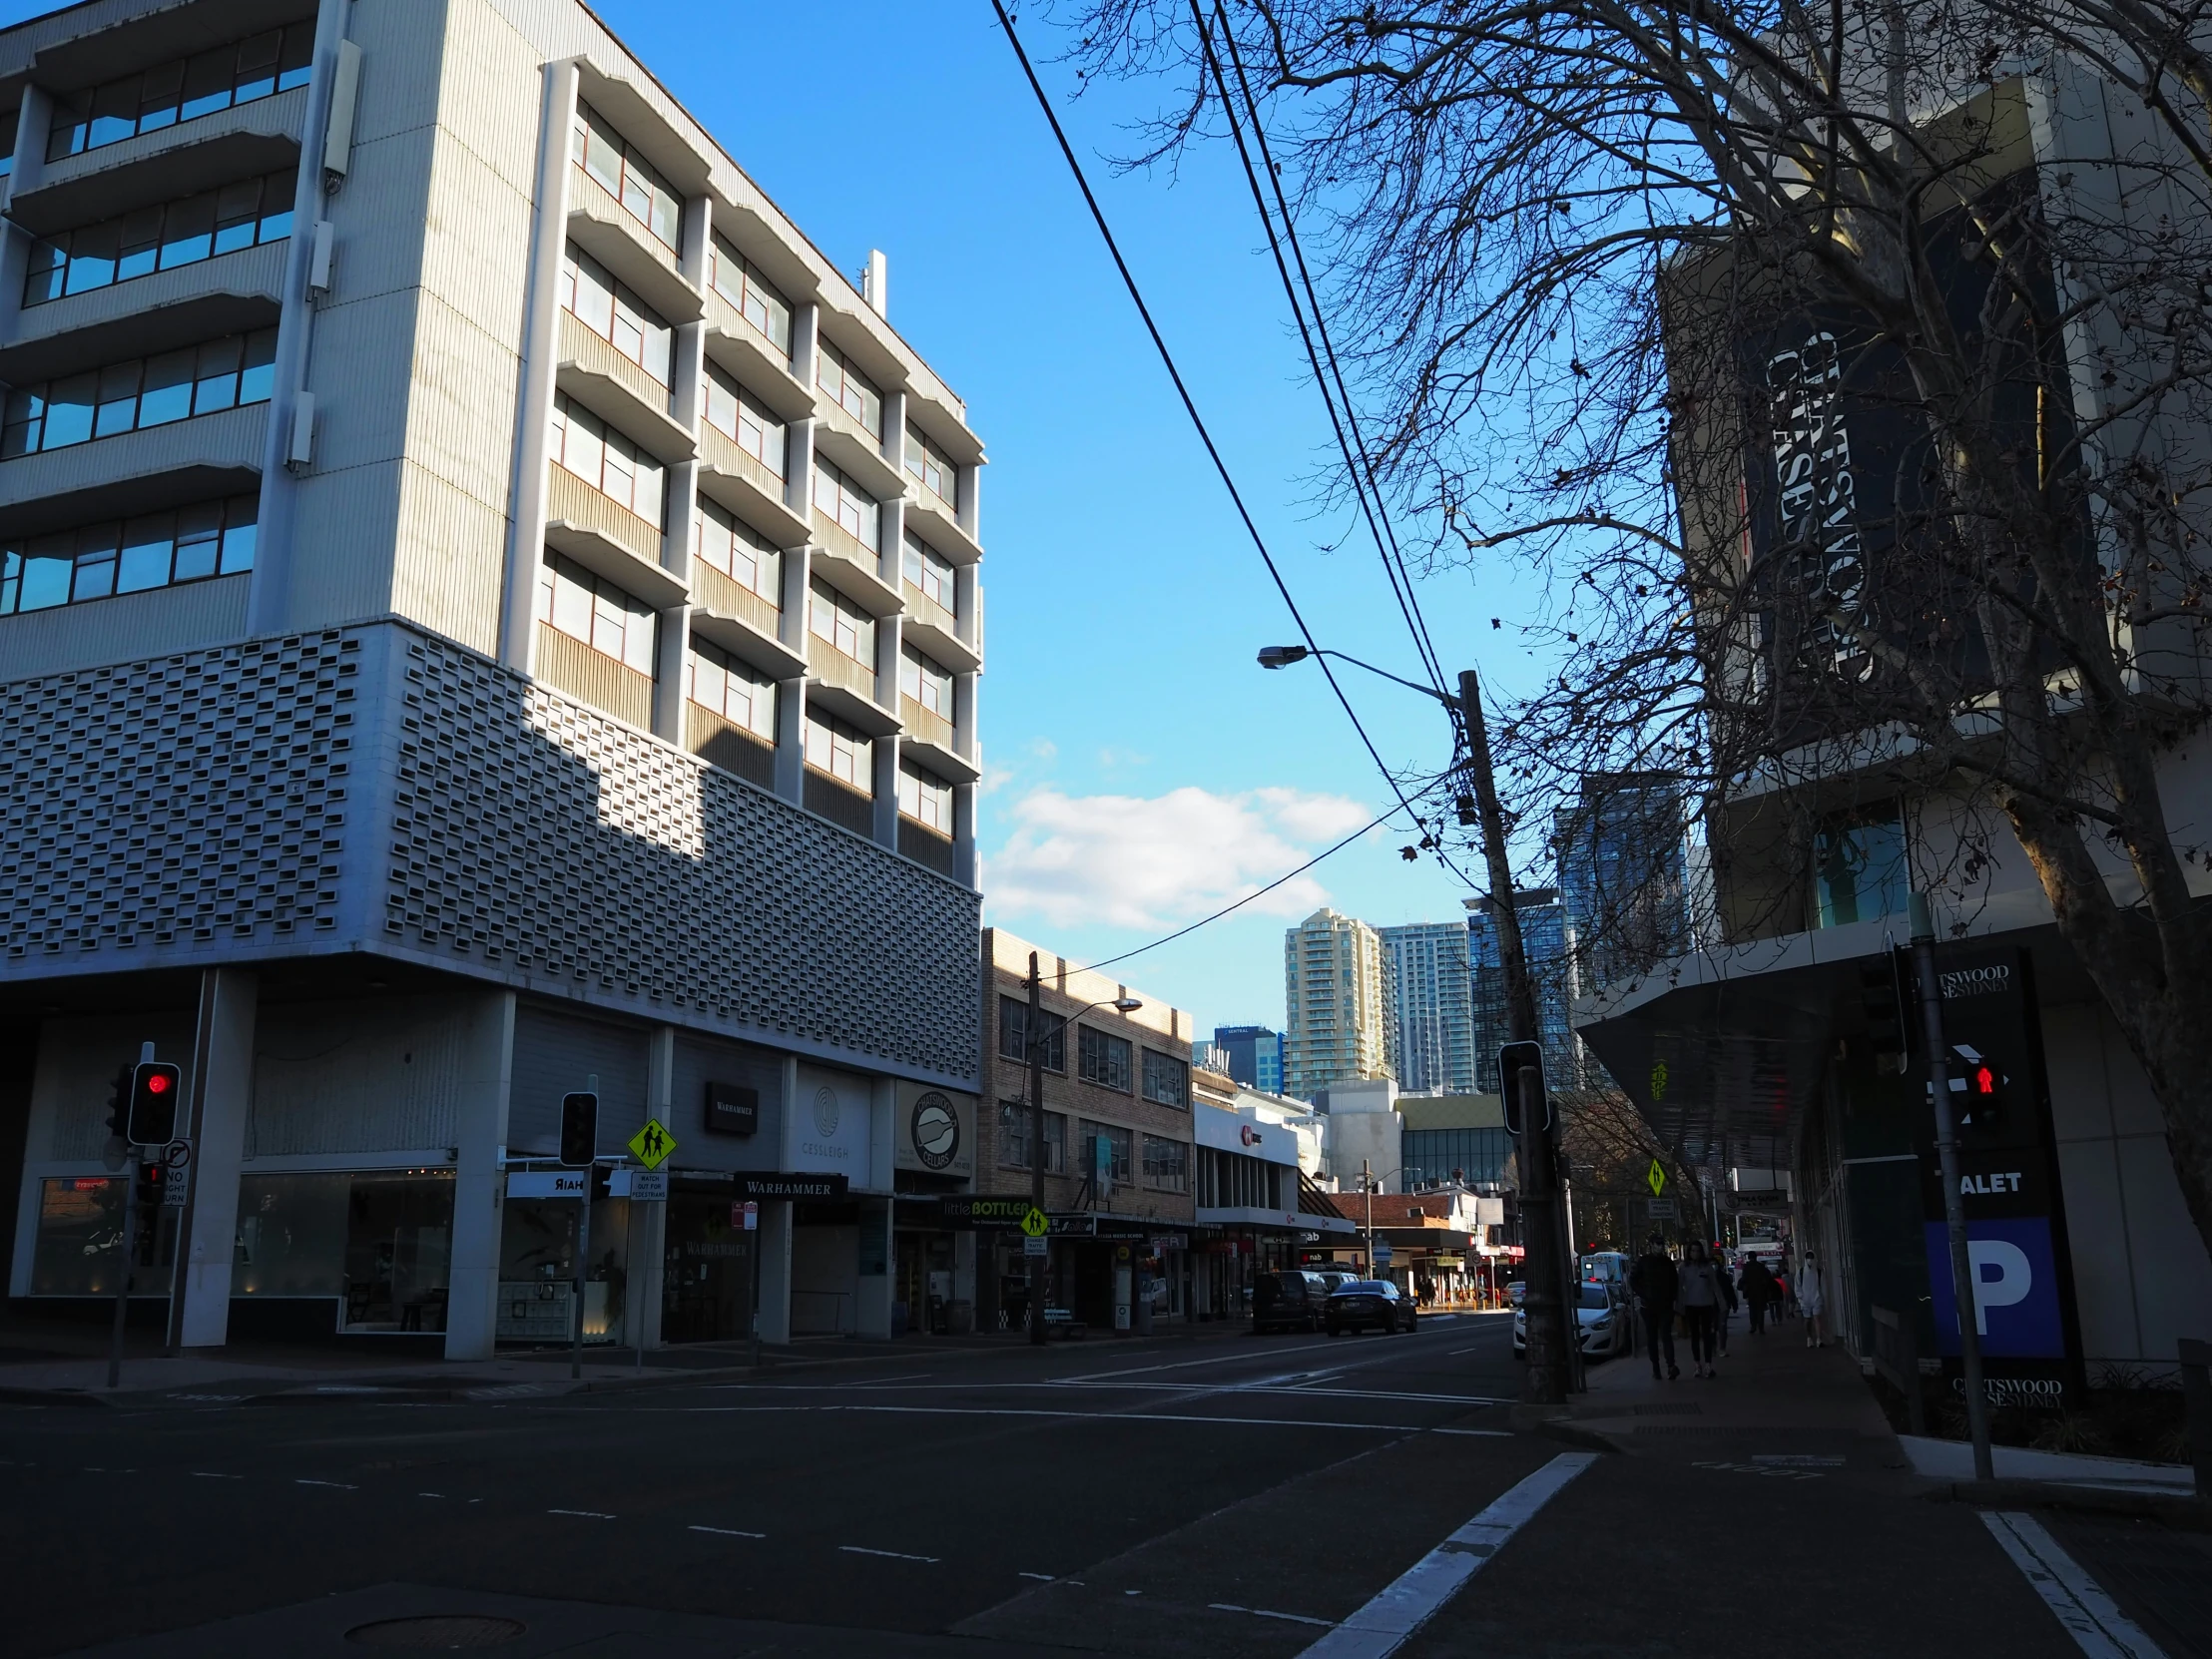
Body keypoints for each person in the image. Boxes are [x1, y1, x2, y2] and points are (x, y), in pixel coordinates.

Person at [1628, 1234, 1680, 1381]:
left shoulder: (1667, 1262)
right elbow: (1633, 1280)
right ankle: (1656, 1368)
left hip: (1665, 1305)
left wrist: (1673, 1299)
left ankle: (1671, 1366)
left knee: (1665, 1335)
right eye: (1657, 1243)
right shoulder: (1643, 1262)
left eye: (1661, 1243)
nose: (1660, 1246)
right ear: (1651, 1245)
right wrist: (1644, 1294)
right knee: (1652, 1338)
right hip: (1649, 1306)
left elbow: (1674, 1283)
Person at [1676, 1240, 1723, 1378]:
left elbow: (1715, 1286)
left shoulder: (1707, 1267)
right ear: (1689, 1252)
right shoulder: (1684, 1268)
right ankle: (1697, 1365)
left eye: (1697, 1251)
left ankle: (1708, 1365)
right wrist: (1679, 1306)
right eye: (1692, 1251)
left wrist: (1722, 1303)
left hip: (1706, 1305)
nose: (1695, 1253)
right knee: (1695, 1337)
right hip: (1691, 1306)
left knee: (1707, 1336)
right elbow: (1679, 1288)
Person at [1799, 1250, 1828, 1348]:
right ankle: (1809, 1338)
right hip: (1805, 1299)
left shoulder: (1819, 1272)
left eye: (1811, 1257)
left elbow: (1823, 1286)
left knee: (1817, 1319)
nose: (1810, 1260)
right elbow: (1797, 1286)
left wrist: (1824, 1298)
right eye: (1808, 1258)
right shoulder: (1801, 1272)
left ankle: (1819, 1339)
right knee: (1807, 1320)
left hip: (1817, 1298)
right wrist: (1800, 1297)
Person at [1740, 1256, 1775, 1335]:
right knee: (1760, 1311)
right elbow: (1768, 1278)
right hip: (1761, 1292)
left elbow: (1743, 1279)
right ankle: (1761, 1328)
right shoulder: (1761, 1266)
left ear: (1749, 1257)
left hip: (1750, 1292)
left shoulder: (1746, 1267)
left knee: (1752, 1310)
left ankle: (1753, 1327)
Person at [1715, 1250, 1739, 1357]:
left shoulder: (1724, 1277)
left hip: (1723, 1305)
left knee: (1722, 1327)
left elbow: (1729, 1291)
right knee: (1713, 1328)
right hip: (1709, 1306)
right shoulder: (1705, 1276)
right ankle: (1714, 1348)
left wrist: (1734, 1304)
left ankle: (1722, 1348)